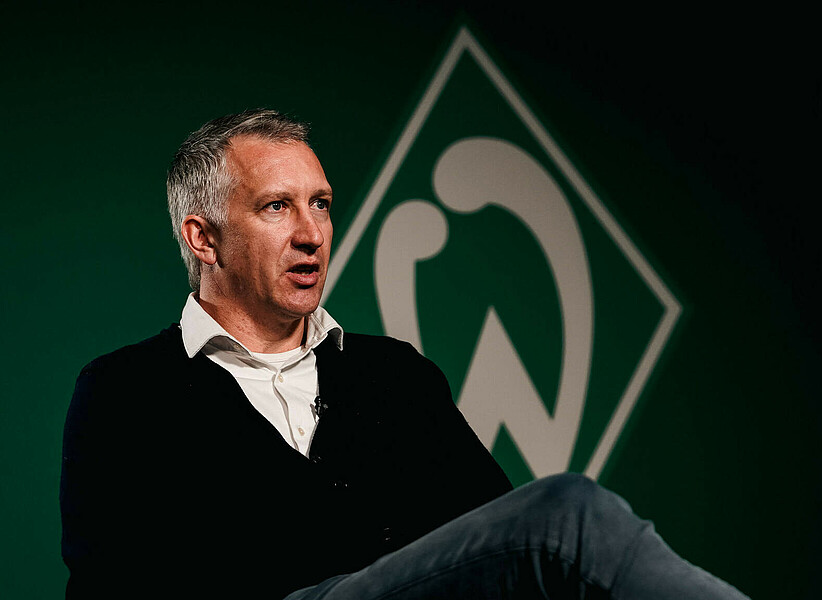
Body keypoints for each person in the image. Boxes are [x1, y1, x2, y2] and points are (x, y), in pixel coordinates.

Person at [60, 109, 749, 600]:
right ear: (203, 239)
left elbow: (497, 555)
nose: (312, 233)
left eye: (322, 204)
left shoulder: (394, 377)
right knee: (567, 517)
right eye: (277, 207)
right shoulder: (125, 392)